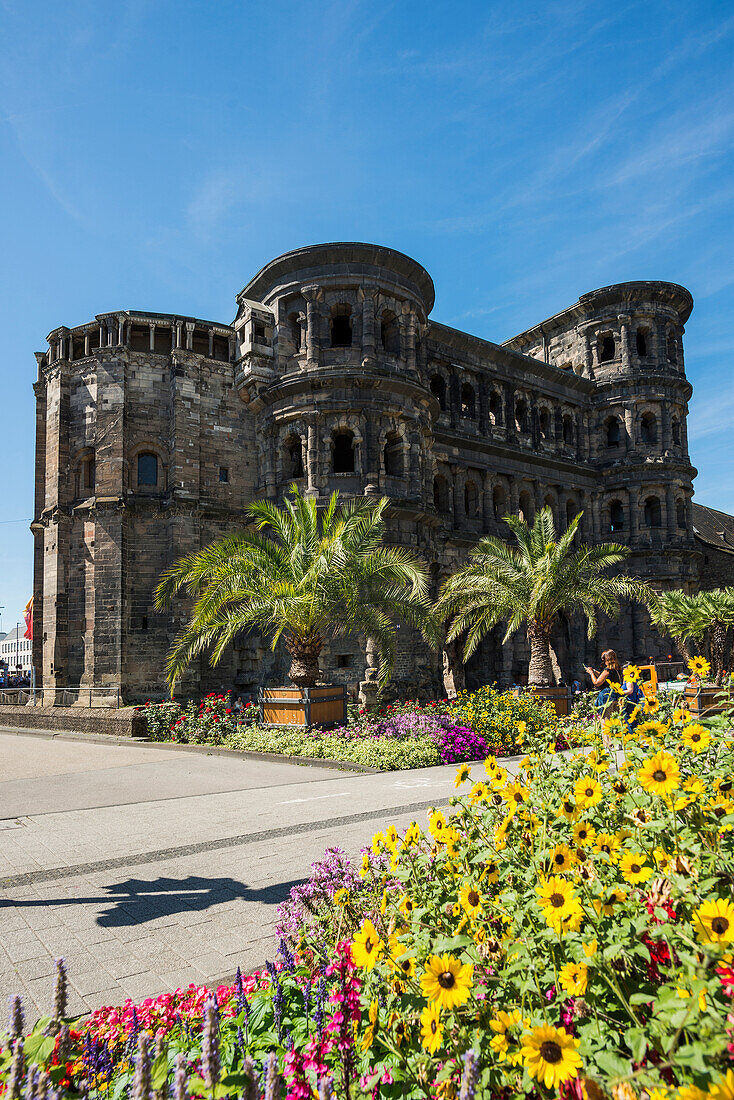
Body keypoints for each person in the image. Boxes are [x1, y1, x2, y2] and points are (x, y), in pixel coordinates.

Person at [584, 650, 623, 716]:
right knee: (615, 718)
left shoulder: (607, 670)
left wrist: (591, 673)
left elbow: (597, 683)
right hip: (616, 695)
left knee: (605, 718)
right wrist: (594, 671)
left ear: (607, 660)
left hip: (607, 696)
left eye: (603, 660)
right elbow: (604, 678)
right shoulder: (617, 669)